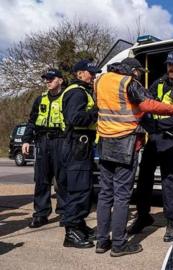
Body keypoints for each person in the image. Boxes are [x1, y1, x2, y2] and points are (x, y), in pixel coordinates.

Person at [95, 57, 173, 256]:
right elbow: (147, 105)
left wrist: (155, 124)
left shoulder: (101, 80)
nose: (138, 76)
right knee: (122, 195)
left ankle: (102, 241)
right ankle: (119, 244)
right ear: (132, 70)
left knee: (105, 194)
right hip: (125, 144)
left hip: (105, 142)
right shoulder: (129, 83)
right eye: (138, 72)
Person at [128, 51, 173, 242]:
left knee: (170, 184)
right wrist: (150, 125)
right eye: (168, 65)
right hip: (154, 139)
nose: (170, 68)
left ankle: (172, 223)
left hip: (171, 141)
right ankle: (142, 217)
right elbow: (146, 106)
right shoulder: (158, 83)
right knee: (144, 181)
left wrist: (154, 125)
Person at [22, 69, 68, 228]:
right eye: (46, 79)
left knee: (62, 179)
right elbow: (32, 120)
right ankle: (41, 214)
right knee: (41, 179)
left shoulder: (67, 97)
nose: (47, 81)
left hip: (61, 140)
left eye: (51, 78)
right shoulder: (40, 99)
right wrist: (26, 140)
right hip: (42, 142)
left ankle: (64, 213)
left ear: (60, 80)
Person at [62, 60, 100, 249]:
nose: (93, 76)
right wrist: (95, 112)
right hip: (76, 144)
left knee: (84, 188)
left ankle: (79, 224)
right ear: (79, 74)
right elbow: (74, 118)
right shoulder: (77, 92)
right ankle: (71, 232)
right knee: (78, 189)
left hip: (81, 144)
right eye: (90, 73)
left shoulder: (83, 91)